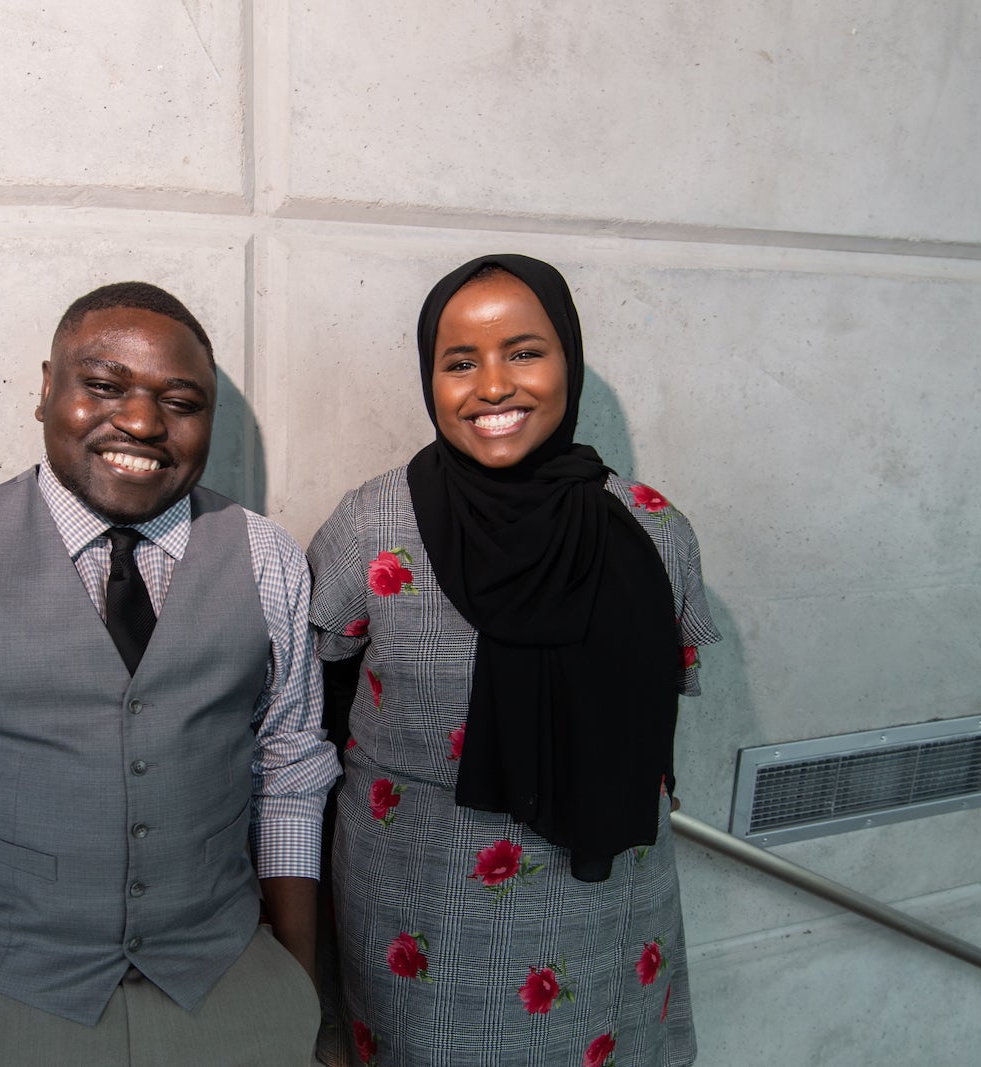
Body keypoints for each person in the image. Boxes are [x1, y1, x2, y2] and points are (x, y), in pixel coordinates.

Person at [0, 282, 340, 1066]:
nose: (142, 421)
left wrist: (296, 987)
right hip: (10, 999)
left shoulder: (264, 555)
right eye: (104, 385)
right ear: (46, 388)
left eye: (181, 400)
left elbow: (291, 772)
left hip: (231, 988)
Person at [307, 255, 720, 1067]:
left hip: (602, 908)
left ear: (567, 356)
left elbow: (659, 725)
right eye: (460, 362)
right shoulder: (371, 525)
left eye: (524, 352)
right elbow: (311, 708)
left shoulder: (652, 532)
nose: (493, 385)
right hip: (419, 909)